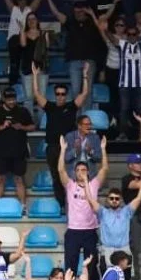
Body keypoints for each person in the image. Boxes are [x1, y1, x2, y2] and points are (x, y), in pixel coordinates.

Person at [33, 64, 91, 208]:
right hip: (53, 147)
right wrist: (35, 76)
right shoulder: (50, 107)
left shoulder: (71, 107)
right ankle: (62, 205)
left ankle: (73, 202)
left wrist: (84, 74)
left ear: (66, 95)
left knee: (71, 176)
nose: (60, 96)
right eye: (57, 94)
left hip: (69, 147)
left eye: (63, 94)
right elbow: (36, 93)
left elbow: (84, 93)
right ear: (54, 95)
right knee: (56, 177)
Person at [58, 136, 109, 280]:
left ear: (88, 172)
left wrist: (103, 149)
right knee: (71, 262)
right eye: (78, 170)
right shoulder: (70, 185)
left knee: (91, 263)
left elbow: (104, 168)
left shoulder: (94, 184)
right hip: (73, 230)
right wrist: (62, 150)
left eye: (84, 169)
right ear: (74, 172)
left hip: (90, 230)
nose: (81, 172)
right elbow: (60, 169)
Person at [0, 88, 36, 205]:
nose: (12, 102)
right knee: (0, 179)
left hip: (19, 151)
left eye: (13, 99)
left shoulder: (23, 111)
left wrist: (21, 127)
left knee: (19, 179)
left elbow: (32, 127)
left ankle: (23, 206)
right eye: (9, 99)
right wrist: (2, 127)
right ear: (3, 99)